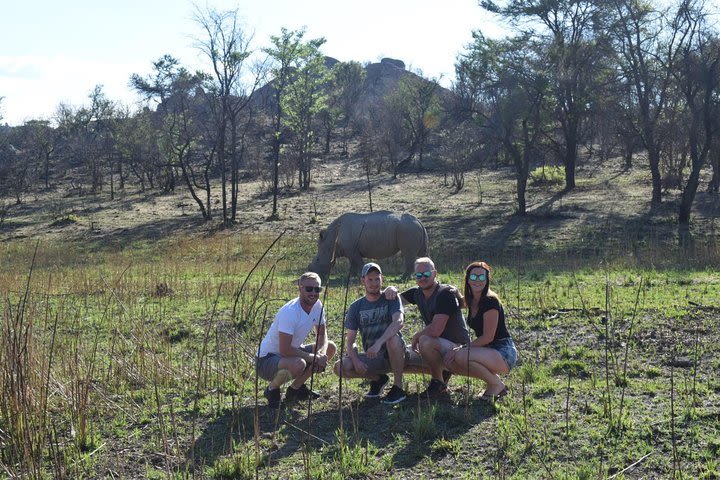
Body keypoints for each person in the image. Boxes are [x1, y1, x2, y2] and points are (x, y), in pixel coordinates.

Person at [387, 257, 471, 397]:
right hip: (436, 346)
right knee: (399, 356)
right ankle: (442, 372)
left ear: (435, 273)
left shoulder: (445, 293)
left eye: (426, 274)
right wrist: (391, 289)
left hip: (457, 348)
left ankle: (438, 383)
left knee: (424, 340)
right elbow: (396, 300)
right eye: (418, 275)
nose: (422, 278)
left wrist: (416, 336)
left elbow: (435, 330)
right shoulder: (416, 293)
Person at [256, 272, 337, 408]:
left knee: (330, 347)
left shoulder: (317, 306)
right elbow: (285, 350)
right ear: (300, 288)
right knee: (298, 364)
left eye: (317, 289)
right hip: (267, 360)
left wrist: (322, 354)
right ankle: (271, 390)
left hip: (289, 353)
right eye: (309, 289)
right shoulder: (290, 312)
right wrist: (314, 358)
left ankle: (295, 389)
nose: (313, 293)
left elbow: (322, 335)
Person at [333, 263, 407, 404]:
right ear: (363, 281)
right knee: (340, 367)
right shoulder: (356, 307)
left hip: (396, 352)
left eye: (377, 279)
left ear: (382, 279)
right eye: (370, 280)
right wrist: (355, 360)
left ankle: (398, 387)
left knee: (393, 339)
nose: (374, 283)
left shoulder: (391, 297)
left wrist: (379, 343)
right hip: (374, 356)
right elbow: (350, 340)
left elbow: (398, 322)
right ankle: (379, 380)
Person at [443, 261, 518, 401]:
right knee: (451, 362)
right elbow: (460, 302)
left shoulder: (490, 301)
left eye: (481, 277)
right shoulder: (472, 300)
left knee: (460, 355)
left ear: (487, 280)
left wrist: (462, 347)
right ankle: (494, 383)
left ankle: (496, 385)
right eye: (473, 277)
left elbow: (488, 337)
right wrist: (451, 292)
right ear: (467, 279)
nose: (477, 280)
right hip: (488, 351)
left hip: (503, 351)